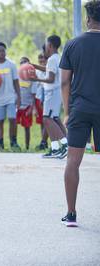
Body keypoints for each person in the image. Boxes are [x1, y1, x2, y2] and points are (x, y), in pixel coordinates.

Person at [59, 0, 100, 227]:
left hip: (80, 109)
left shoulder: (73, 44)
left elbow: (65, 81)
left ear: (88, 19)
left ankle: (72, 214)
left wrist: (67, 111)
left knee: (73, 162)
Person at [30, 35, 68, 159]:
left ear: (50, 45)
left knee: (47, 119)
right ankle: (56, 148)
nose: (45, 47)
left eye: (46, 44)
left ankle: (64, 145)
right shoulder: (57, 57)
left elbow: (50, 78)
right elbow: (48, 70)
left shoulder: (52, 59)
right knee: (52, 119)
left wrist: (35, 78)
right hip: (56, 93)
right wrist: (33, 65)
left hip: (52, 93)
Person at [0, 42, 22, 152]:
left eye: (3, 50)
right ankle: (0, 143)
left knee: (13, 119)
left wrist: (19, 97)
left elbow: (16, 81)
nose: (2, 53)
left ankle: (13, 142)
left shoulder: (11, 64)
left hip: (10, 97)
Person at [17, 57, 35, 150]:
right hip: (17, 106)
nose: (23, 64)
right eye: (21, 62)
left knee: (27, 127)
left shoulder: (32, 78)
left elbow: (33, 95)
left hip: (27, 106)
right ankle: (14, 144)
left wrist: (32, 108)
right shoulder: (17, 76)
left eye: (25, 62)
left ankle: (27, 147)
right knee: (14, 125)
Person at [33, 53, 49, 151]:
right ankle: (44, 142)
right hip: (38, 98)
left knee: (48, 121)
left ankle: (45, 141)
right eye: (40, 58)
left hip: (46, 98)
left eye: (43, 58)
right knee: (42, 122)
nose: (41, 60)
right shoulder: (36, 71)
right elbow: (34, 88)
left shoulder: (48, 70)